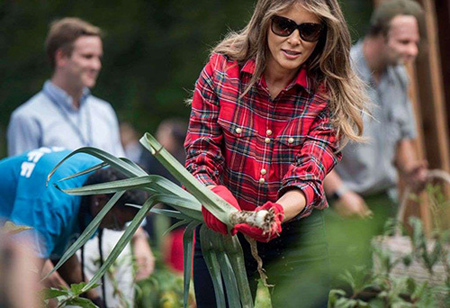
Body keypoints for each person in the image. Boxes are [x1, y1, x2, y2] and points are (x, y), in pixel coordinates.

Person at [184, 0, 368, 307]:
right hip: (223, 226)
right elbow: (200, 154)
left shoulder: (327, 94)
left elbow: (309, 176)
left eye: (308, 30)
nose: (294, 40)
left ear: (322, 36)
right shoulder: (221, 70)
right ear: (264, 22)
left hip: (295, 233)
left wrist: (274, 215)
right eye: (284, 25)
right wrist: (213, 195)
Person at [5, 17, 154, 306]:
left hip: (108, 227)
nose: (96, 64)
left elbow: (123, 180)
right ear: (61, 56)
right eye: (87, 56)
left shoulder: (103, 112)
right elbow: (28, 206)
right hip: (53, 228)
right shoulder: (28, 116)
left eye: (98, 57)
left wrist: (139, 238)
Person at [323, 0, 428, 285]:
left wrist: (411, 170)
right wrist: (340, 194)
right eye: (404, 42)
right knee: (348, 290)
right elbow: (313, 150)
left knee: (383, 288)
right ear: (379, 36)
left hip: (383, 203)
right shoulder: (340, 76)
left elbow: (401, 136)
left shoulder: (398, 76)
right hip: (344, 205)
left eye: (415, 42)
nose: (412, 51)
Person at [0, 147, 147, 306]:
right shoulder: (53, 201)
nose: (116, 229)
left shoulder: (105, 180)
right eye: (117, 223)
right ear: (100, 200)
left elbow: (63, 255)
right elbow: (27, 272)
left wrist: (96, 300)